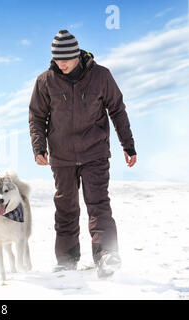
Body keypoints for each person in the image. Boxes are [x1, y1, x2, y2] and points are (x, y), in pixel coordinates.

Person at [28, 30, 137, 278]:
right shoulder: (45, 81)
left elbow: (117, 110)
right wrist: (39, 147)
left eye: (66, 58)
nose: (62, 64)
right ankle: (66, 262)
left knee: (98, 204)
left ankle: (106, 256)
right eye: (57, 59)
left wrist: (127, 145)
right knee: (65, 208)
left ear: (77, 54)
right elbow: (36, 116)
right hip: (62, 156)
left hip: (95, 152)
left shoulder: (101, 76)